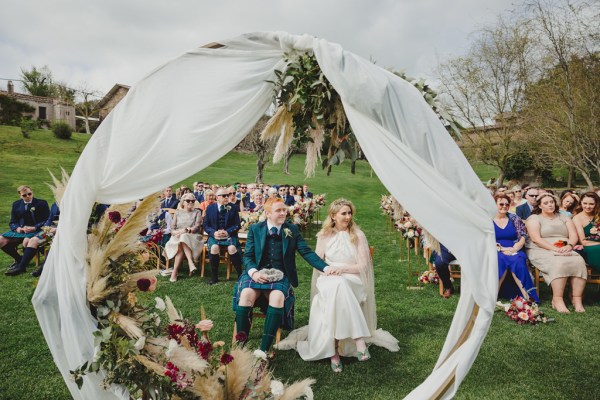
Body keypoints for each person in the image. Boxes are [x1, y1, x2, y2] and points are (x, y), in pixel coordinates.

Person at [280, 199, 399, 372]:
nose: (348, 217)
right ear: (333, 216)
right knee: (337, 285)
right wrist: (329, 271)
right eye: (343, 213)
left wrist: (343, 269)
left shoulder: (358, 235)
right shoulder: (324, 235)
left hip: (353, 278)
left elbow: (363, 266)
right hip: (328, 277)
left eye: (349, 213)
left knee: (340, 285)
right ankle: (359, 341)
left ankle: (333, 353)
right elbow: (317, 262)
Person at [233, 197, 328, 353]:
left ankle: (263, 350)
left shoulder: (292, 230)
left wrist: (325, 268)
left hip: (280, 276)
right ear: (268, 213)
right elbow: (248, 257)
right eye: (279, 210)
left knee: (277, 297)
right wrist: (254, 273)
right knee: (246, 294)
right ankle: (240, 345)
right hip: (255, 274)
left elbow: (306, 252)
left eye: (285, 210)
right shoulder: (255, 229)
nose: (284, 213)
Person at [525, 193, 587, 313]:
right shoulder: (534, 218)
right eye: (546, 203)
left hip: (564, 247)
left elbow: (573, 235)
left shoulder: (564, 217)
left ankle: (577, 299)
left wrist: (569, 245)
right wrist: (554, 249)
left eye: (551, 202)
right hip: (540, 248)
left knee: (578, 260)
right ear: (540, 206)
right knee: (559, 262)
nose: (550, 205)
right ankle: (557, 299)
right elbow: (536, 239)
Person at [493, 194, 539, 302]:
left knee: (518, 261)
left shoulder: (514, 218)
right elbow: (486, 239)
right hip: (495, 249)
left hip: (515, 248)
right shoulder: (488, 219)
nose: (504, 206)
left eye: (507, 204)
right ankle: (493, 296)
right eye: (501, 204)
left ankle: (527, 295)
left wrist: (515, 248)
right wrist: (503, 249)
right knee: (500, 259)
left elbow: (523, 235)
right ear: (494, 205)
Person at [2, 185, 50, 275]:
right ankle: (19, 259)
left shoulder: (42, 203)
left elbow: (47, 220)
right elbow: (12, 222)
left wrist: (35, 227)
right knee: (1, 240)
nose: (28, 196)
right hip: (21, 231)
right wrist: (18, 228)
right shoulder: (16, 204)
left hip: (36, 230)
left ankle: (21, 265)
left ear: (32, 192)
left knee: (27, 241)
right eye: (24, 195)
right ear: (20, 195)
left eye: (29, 194)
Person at [203, 187, 243, 284]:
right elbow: (205, 225)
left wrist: (227, 232)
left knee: (232, 248)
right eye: (224, 196)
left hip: (229, 235)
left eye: (228, 195)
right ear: (217, 197)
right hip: (214, 236)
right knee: (214, 248)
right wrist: (213, 233)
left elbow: (237, 225)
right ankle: (214, 277)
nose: (227, 197)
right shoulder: (210, 208)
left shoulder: (233, 208)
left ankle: (240, 275)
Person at [163, 193, 203, 282]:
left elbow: (197, 227)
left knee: (183, 237)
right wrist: (179, 232)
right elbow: (172, 229)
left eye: (193, 201)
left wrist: (186, 231)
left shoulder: (197, 212)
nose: (191, 202)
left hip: (193, 237)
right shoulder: (178, 212)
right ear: (183, 202)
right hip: (178, 236)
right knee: (181, 241)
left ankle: (174, 272)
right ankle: (190, 263)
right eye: (188, 200)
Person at [573, 192, 600, 272]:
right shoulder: (577, 218)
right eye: (585, 203)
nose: (587, 207)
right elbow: (583, 241)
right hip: (589, 247)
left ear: (596, 204)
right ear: (580, 202)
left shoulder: (598, 215)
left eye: (591, 204)